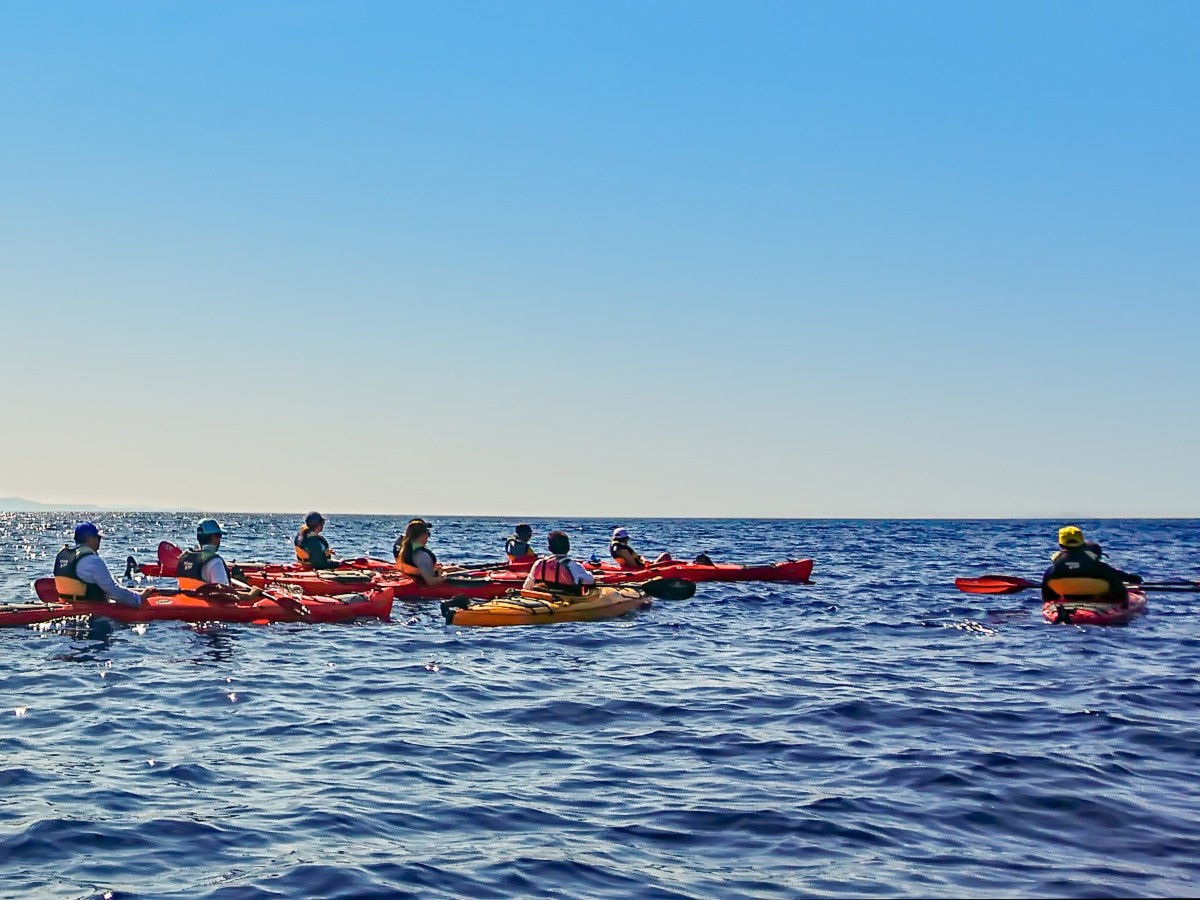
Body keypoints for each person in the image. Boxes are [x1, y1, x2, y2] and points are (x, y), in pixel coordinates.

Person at [1042, 525, 1141, 604]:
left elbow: (1047, 594)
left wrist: (1050, 601)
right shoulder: (1097, 567)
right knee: (1112, 579)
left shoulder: (1052, 570)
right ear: (1082, 542)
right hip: (1099, 596)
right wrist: (1132, 579)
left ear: (1060, 543)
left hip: (1068, 596)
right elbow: (1114, 576)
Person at [53, 522, 144, 607]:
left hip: (67, 604)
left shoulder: (62, 556)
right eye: (98, 538)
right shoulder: (92, 560)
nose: (99, 541)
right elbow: (113, 591)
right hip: (92, 612)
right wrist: (139, 598)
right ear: (90, 539)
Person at [523, 531, 596, 593]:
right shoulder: (573, 565)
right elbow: (590, 581)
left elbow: (527, 586)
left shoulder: (539, 563)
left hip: (544, 596)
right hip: (567, 601)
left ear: (549, 548)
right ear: (568, 548)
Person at [177, 519, 237, 590]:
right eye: (219, 536)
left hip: (187, 598)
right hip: (205, 600)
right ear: (215, 537)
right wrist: (250, 595)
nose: (220, 539)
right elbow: (224, 594)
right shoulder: (215, 561)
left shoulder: (184, 557)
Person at [395, 518, 445, 586]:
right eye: (428, 534)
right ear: (424, 535)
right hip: (423, 584)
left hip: (413, 575)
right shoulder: (421, 555)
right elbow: (431, 582)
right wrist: (444, 576)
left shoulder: (406, 548)